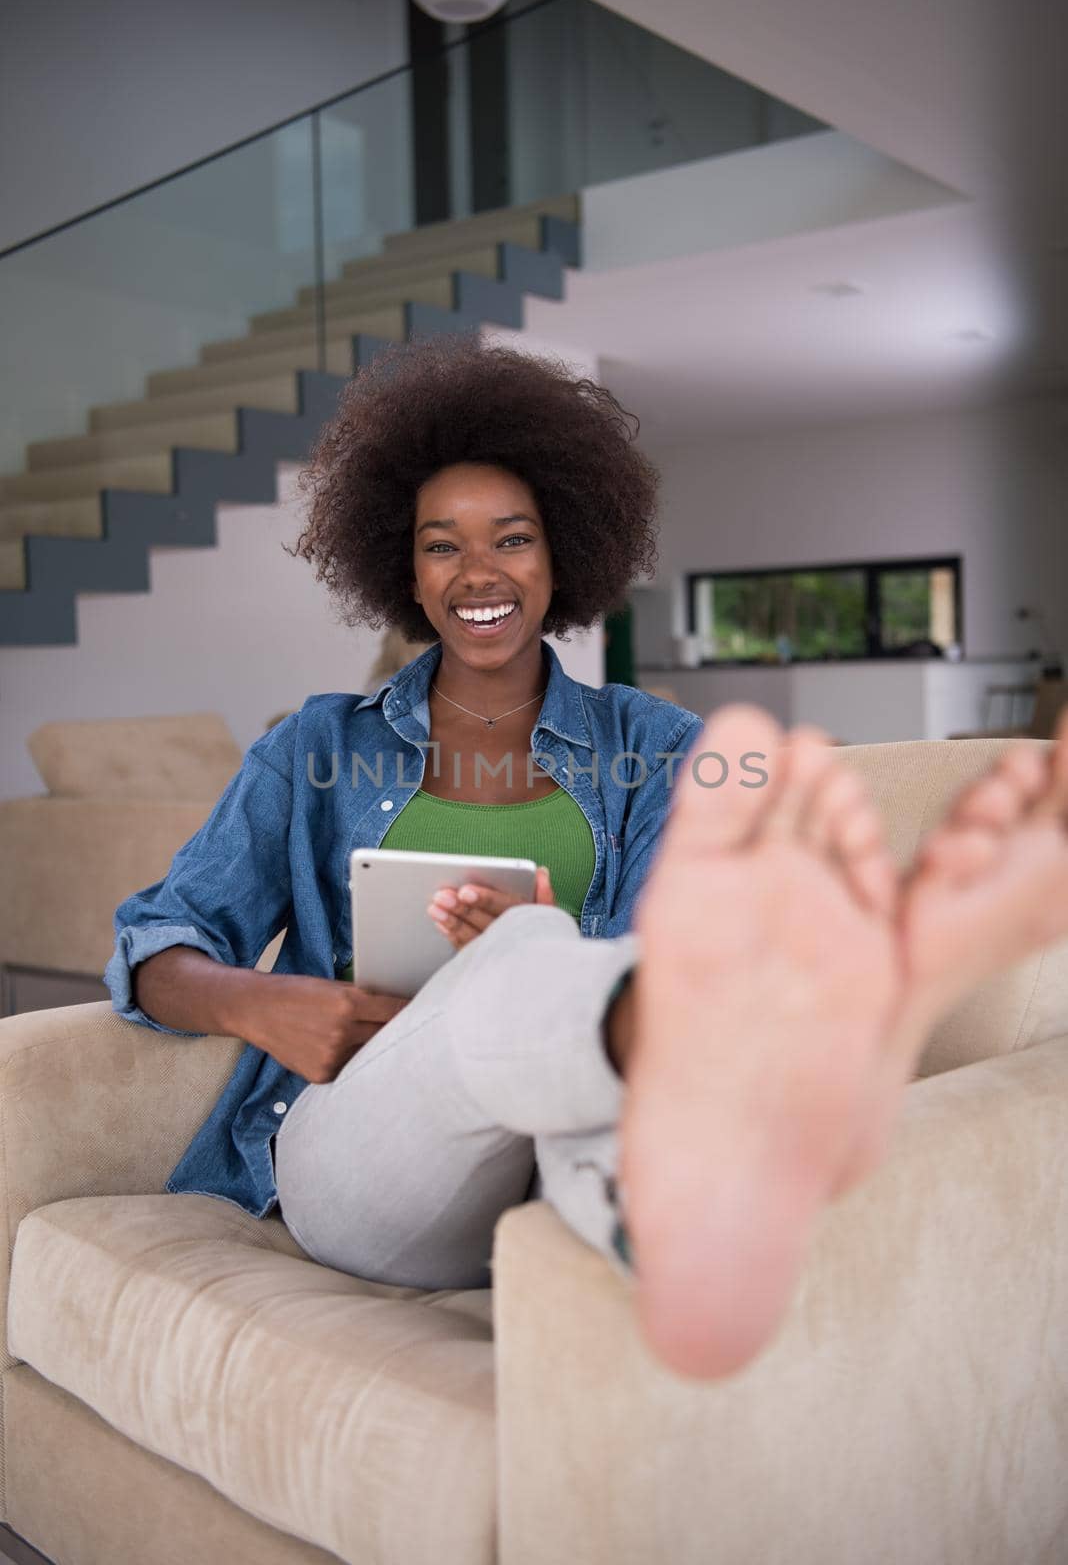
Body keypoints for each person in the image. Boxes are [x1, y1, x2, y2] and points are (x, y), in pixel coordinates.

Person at [105, 334, 1068, 1383]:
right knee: (535, 948)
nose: (478, 572)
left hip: (555, 1155)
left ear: (563, 552)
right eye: (442, 545)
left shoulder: (656, 748)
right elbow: (157, 938)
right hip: (362, 1157)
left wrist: (561, 954)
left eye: (512, 539)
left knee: (562, 969)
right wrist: (261, 1005)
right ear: (404, 569)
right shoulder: (315, 748)